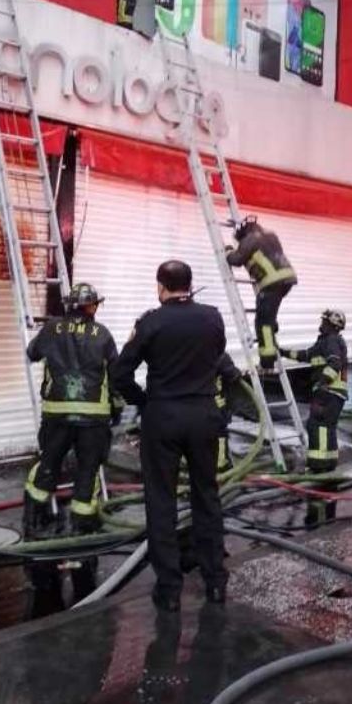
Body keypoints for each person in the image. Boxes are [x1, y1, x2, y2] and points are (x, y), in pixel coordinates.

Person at [111, 260, 228, 612]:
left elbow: (120, 373)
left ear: (161, 285)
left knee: (161, 502)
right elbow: (216, 355)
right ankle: (216, 583)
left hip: (163, 416)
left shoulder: (151, 322)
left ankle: (170, 590)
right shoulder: (212, 318)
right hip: (204, 415)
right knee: (207, 497)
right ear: (189, 285)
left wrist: (143, 401)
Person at [23, 282, 123, 537]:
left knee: (48, 464)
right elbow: (116, 375)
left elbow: (32, 353)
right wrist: (118, 407)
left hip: (56, 415)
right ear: (91, 306)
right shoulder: (102, 334)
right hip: (93, 419)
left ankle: (35, 520)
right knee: (88, 469)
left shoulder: (51, 328)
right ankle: (83, 526)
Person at [225, 216, 297, 370]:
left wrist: (228, 252)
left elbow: (237, 260)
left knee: (263, 323)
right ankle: (272, 332)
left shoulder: (250, 239)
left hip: (271, 283)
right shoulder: (271, 236)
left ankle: (267, 362)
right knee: (269, 316)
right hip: (285, 279)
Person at [281, 309, 348, 473]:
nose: (321, 324)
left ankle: (320, 466)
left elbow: (335, 364)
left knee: (318, 426)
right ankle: (328, 463)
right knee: (326, 426)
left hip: (329, 392)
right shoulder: (325, 342)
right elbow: (305, 355)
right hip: (333, 392)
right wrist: (282, 352)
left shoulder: (331, 340)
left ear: (331, 325)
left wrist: (322, 384)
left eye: (324, 321)